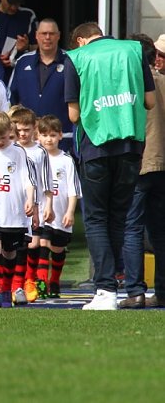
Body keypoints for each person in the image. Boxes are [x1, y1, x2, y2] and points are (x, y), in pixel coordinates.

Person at [65, 23, 155, 310]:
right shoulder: (134, 49)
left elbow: (74, 114)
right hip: (131, 145)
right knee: (119, 217)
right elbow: (150, 102)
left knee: (95, 218)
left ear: (81, 40)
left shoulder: (76, 57)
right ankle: (112, 285)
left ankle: (105, 290)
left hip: (97, 146)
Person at [120, 35, 165, 309]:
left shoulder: (132, 84)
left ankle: (135, 290)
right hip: (163, 163)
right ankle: (163, 290)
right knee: (160, 231)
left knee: (132, 228)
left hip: (139, 163)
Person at [0, 112, 36, 308]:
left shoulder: (19, 152)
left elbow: (27, 179)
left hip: (13, 212)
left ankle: (6, 288)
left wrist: (30, 199)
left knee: (10, 252)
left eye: (3, 137)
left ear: (10, 132)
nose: (0, 142)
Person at [8, 106, 53, 305]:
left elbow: (46, 181)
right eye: (18, 130)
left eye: (27, 129)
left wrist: (48, 205)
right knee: (16, 245)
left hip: (36, 205)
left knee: (33, 244)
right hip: (14, 206)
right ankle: (13, 283)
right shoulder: (11, 150)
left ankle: (29, 279)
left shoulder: (40, 151)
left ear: (34, 128)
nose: (23, 134)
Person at [8, 19, 72, 150]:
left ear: (58, 36)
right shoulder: (23, 62)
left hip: (61, 138)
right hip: (28, 140)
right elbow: (11, 99)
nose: (47, 37)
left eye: (51, 34)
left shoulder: (71, 61)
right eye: (43, 33)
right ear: (36, 35)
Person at [37, 114, 80, 300]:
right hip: (42, 213)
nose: (49, 139)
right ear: (38, 136)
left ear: (61, 136)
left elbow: (73, 189)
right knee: (42, 243)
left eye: (53, 135)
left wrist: (70, 211)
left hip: (61, 213)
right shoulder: (35, 158)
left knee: (57, 249)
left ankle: (54, 280)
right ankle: (40, 282)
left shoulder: (66, 160)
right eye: (45, 135)